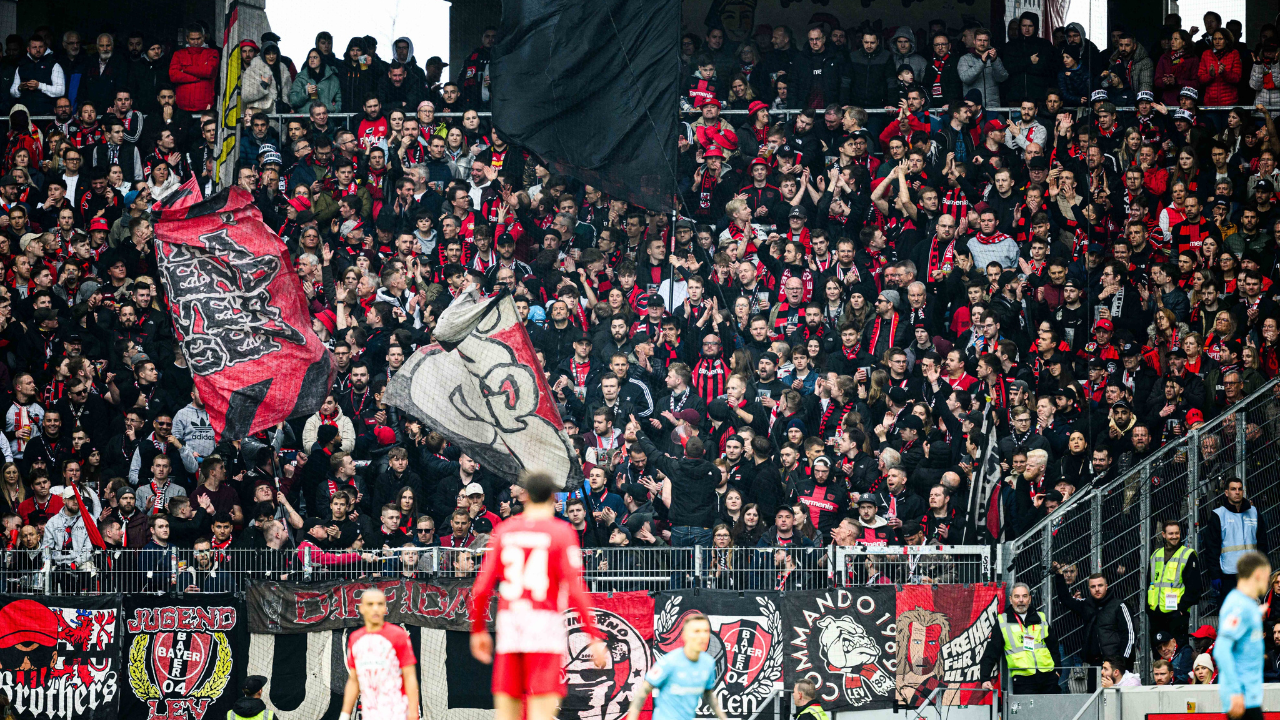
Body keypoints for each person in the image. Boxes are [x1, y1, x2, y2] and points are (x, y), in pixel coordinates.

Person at [469, 472, 606, 720]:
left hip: (512, 624)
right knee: (542, 711)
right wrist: (593, 636)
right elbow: (576, 589)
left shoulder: (506, 529)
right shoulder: (562, 532)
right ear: (554, 497)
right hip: (544, 625)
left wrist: (478, 629)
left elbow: (481, 587)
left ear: (526, 496)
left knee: (507, 711)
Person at [627, 613, 727, 720]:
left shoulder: (708, 663)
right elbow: (643, 691)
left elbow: (708, 693)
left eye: (705, 631)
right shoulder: (669, 662)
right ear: (685, 635)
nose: (702, 636)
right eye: (696, 631)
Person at [342, 588, 419, 720]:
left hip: (398, 713)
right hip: (370, 714)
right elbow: (354, 681)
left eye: (380, 604)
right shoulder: (355, 639)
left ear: (385, 608)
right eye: (370, 604)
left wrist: (413, 713)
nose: (375, 608)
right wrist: (344, 714)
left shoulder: (398, 635)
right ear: (361, 608)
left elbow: (410, 676)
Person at [1214, 551, 1270, 719]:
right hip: (1241, 696)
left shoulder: (1246, 604)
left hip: (1248, 696)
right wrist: (1235, 691)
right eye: (1267, 576)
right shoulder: (1238, 606)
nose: (1268, 582)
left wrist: (1255, 614)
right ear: (1258, 574)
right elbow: (1221, 651)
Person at [979, 582, 1061, 694]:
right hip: (1023, 679)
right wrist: (985, 678)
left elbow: (1054, 646)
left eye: (1024, 596)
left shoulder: (1040, 618)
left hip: (1048, 676)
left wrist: (1057, 671)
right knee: (1027, 711)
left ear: (1030, 599)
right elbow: (991, 651)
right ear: (1011, 599)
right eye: (1017, 596)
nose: (1021, 600)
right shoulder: (1003, 621)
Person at [1147, 519, 1202, 644]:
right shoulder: (1156, 555)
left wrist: (1181, 609)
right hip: (1156, 612)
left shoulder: (1187, 554)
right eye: (1171, 534)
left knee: (1178, 652)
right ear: (1163, 535)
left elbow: (1194, 586)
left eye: (1177, 533)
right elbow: (1150, 583)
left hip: (1176, 614)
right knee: (1158, 653)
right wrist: (1149, 608)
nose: (1174, 536)